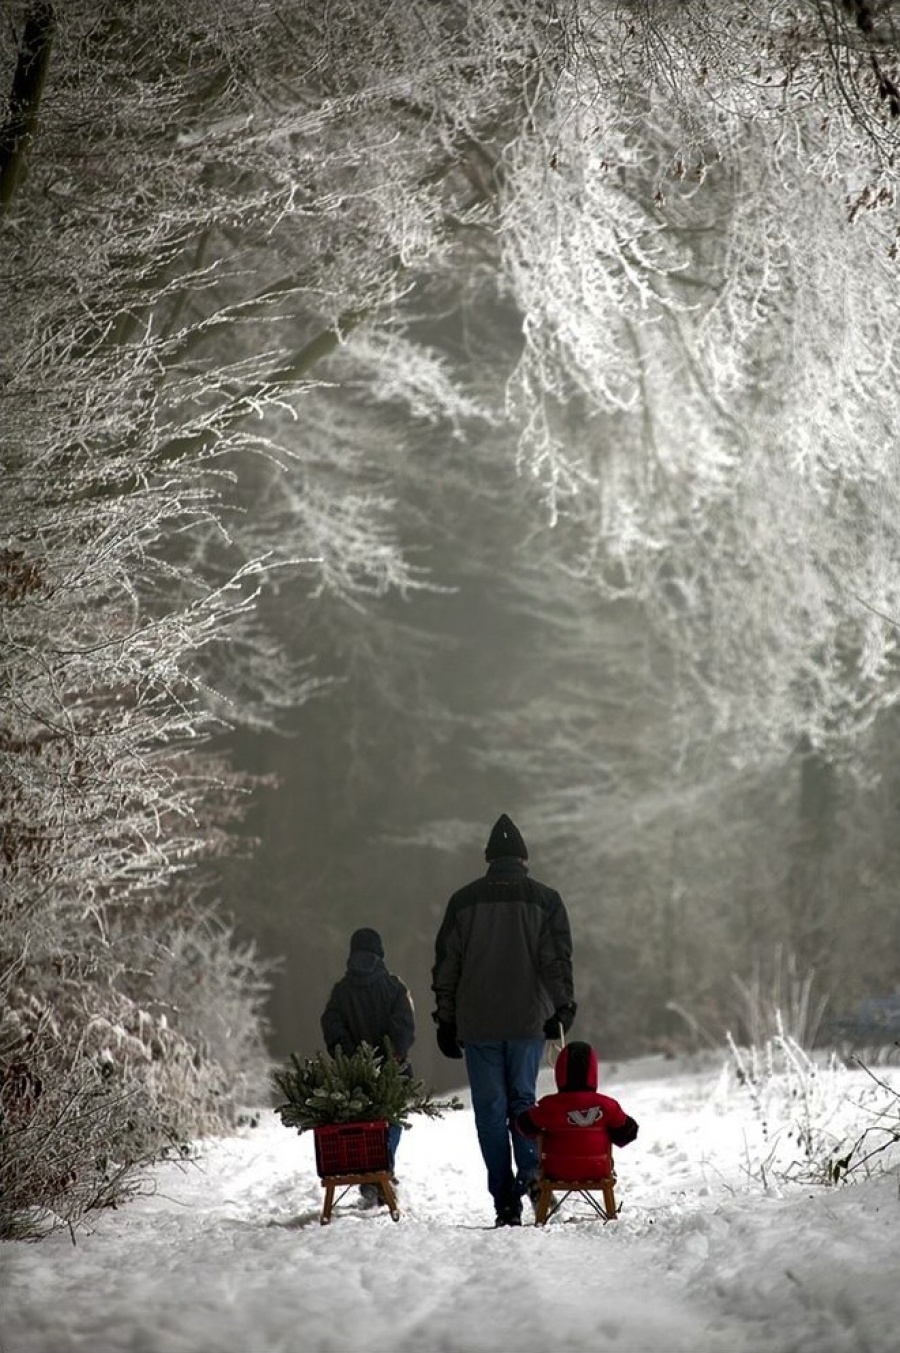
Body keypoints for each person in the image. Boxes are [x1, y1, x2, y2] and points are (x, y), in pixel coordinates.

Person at [431, 813, 576, 1226]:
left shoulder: (463, 901)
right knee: (523, 1104)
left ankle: (504, 1201)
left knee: (490, 1113)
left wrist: (446, 1019)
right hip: (528, 1021)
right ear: (523, 858)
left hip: (478, 1024)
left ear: (490, 858)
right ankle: (531, 1175)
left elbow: (447, 966)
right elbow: (556, 960)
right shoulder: (545, 900)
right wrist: (563, 1007)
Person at [320, 927, 415, 1204]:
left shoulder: (340, 991)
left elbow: (332, 1026)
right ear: (380, 953)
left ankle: (370, 1173)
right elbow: (405, 1027)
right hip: (393, 1072)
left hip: (353, 1075)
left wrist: (352, 1058)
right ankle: (383, 1169)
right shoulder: (395, 987)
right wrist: (391, 1057)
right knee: (392, 1118)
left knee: (361, 1123)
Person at [515, 1040, 638, 1182]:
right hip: (597, 1169)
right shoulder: (607, 1105)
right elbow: (629, 1132)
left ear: (560, 1072)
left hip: (556, 1170)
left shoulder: (549, 1105)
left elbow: (523, 1124)